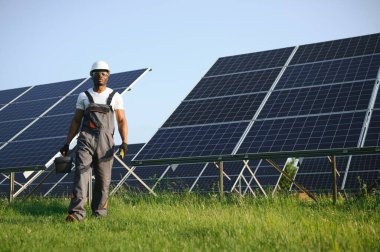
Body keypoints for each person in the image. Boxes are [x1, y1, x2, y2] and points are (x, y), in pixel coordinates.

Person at [60, 60, 128, 221]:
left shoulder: (115, 96)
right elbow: (76, 120)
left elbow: (121, 120)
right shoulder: (84, 96)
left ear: (108, 76)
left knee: (103, 180)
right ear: (91, 76)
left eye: (104, 74)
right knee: (81, 176)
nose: (100, 77)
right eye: (97, 74)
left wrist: (124, 141)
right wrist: (67, 142)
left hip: (106, 143)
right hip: (86, 140)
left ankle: (99, 213)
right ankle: (76, 214)